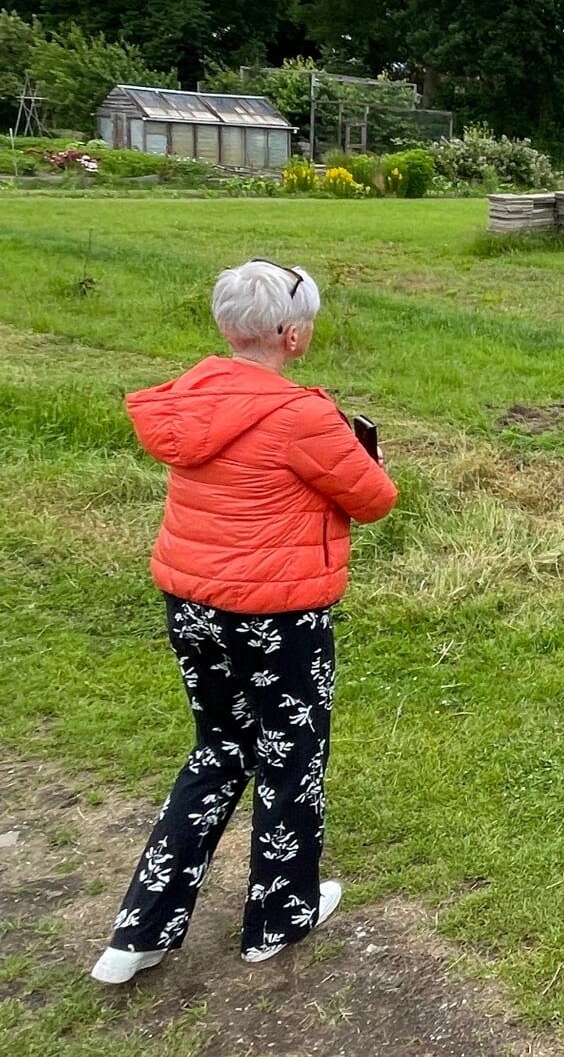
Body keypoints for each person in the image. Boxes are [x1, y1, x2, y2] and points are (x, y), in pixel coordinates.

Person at [91, 259, 398, 984]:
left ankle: (139, 932)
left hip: (192, 603)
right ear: (292, 335)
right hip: (278, 612)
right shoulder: (302, 415)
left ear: (229, 326)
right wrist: (363, 455)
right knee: (291, 756)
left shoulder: (188, 399)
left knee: (218, 747)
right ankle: (279, 916)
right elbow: (375, 498)